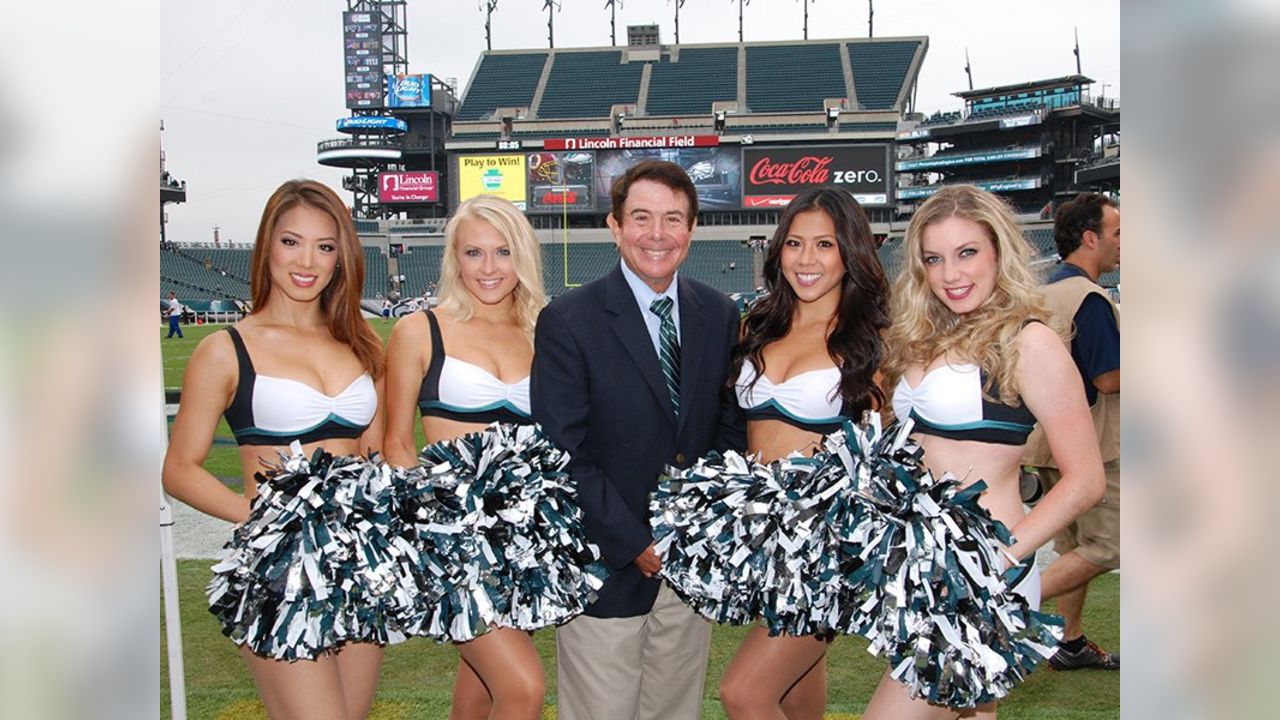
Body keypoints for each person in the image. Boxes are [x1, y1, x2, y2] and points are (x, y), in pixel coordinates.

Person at [869, 184, 1105, 718]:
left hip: (987, 575)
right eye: (934, 259)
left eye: (967, 253)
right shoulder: (922, 335)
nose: (951, 274)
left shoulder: (1030, 342)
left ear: (998, 250)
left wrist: (995, 559)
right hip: (928, 572)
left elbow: (1085, 478)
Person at [530, 160, 747, 720]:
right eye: (642, 218)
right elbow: (561, 453)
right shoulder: (569, 319)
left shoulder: (720, 314)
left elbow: (728, 430)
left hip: (687, 565)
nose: (658, 234)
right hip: (606, 568)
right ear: (615, 226)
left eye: (673, 219)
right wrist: (633, 541)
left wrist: (693, 526)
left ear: (692, 228)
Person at [162, 179, 387, 719]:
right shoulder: (226, 349)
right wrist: (261, 519)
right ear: (268, 246)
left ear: (342, 258)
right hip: (280, 570)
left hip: (359, 562)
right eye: (292, 242)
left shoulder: (363, 342)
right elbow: (178, 468)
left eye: (325, 246)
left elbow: (375, 456)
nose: (307, 260)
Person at [717, 188, 890, 719]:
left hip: (826, 546)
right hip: (764, 539)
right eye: (794, 243)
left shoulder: (870, 341)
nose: (806, 260)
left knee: (743, 692)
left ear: (851, 253)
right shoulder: (757, 325)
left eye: (824, 245)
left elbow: (884, 458)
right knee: (794, 692)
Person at [384, 194, 549, 719]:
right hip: (449, 540)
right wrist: (429, 533)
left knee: (479, 690)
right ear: (454, 259)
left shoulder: (545, 332)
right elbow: (397, 445)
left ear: (522, 256)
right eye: (473, 253)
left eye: (503, 252)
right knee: (522, 687)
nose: (489, 268)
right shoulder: (420, 330)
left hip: (521, 539)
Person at [1024, 193, 1121, 671]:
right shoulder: (1090, 297)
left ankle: (1071, 641)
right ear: (1090, 238)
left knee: (1072, 546)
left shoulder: (1044, 292)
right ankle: (1008, 599)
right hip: (1092, 442)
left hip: (1045, 441)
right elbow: (1109, 378)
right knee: (1113, 544)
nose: (1122, 244)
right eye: (1117, 233)